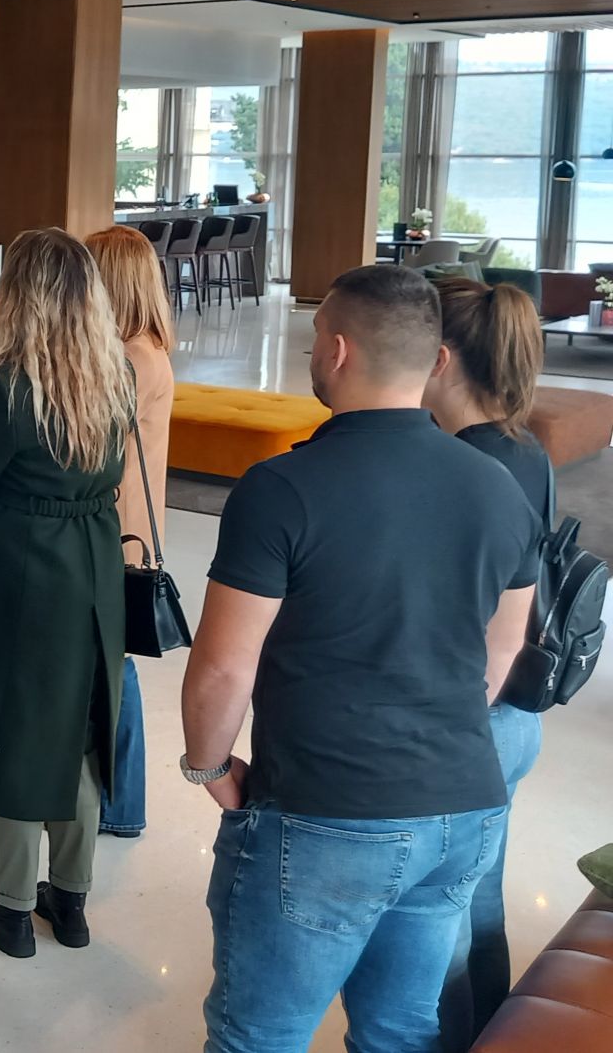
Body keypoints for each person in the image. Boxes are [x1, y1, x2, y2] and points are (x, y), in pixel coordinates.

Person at [182, 265, 540, 1052]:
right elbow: (503, 646)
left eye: (316, 337)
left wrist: (207, 765)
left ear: (338, 351)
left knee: (259, 1036)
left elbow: (223, 665)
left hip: (327, 811)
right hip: (462, 810)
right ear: (433, 359)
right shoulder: (498, 483)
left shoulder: (281, 487)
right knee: (401, 1030)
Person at [0, 228, 129, 959]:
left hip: (24, 570)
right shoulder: (113, 376)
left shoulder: (6, 387)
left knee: (22, 735)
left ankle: (12, 909)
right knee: (83, 729)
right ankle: (73, 898)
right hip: (96, 564)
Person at [427, 277, 550, 1052]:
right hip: (515, 716)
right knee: (480, 900)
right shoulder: (523, 447)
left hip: (472, 716)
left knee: (440, 918)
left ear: (439, 360)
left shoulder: (458, 470)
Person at [84, 224, 176, 841]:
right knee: (109, 666)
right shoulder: (143, 350)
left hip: (119, 536)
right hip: (129, 531)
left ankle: (121, 806)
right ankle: (113, 801)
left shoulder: (132, 359)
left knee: (114, 672)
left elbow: (92, 442)